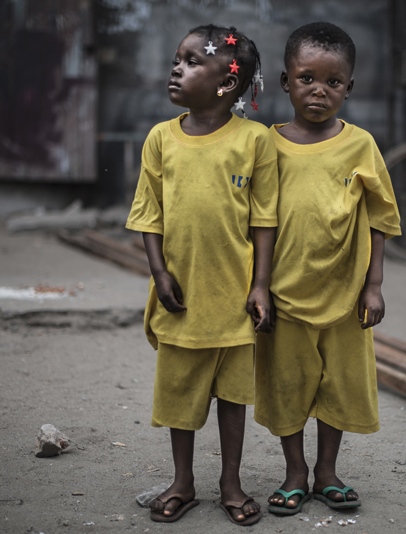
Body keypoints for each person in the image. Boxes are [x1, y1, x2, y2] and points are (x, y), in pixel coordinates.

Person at [125, 24, 277, 526]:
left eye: (192, 62)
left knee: (233, 397)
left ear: (225, 83)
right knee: (181, 396)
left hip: (233, 298)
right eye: (177, 59)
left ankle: (230, 482)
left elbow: (264, 219)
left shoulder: (255, 142)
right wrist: (159, 271)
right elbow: (149, 212)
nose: (177, 68)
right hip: (183, 295)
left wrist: (259, 285)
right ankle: (182, 482)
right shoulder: (160, 139)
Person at [254, 22, 401, 515]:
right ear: (284, 81)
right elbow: (257, 221)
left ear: (349, 88)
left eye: (333, 82)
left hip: (345, 295)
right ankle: (295, 472)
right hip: (284, 294)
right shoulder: (265, 146)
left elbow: (380, 218)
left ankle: (327, 472)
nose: (319, 90)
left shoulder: (361, 146)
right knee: (289, 385)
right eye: (306, 78)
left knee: (337, 384)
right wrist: (258, 287)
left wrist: (374, 286)